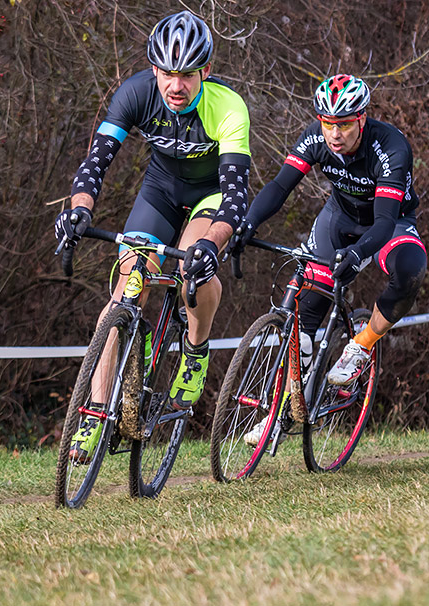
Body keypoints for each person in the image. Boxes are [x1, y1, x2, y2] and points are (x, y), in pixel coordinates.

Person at [54, 11, 252, 462]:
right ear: (154, 69)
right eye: (166, 73)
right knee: (125, 290)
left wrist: (211, 243)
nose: (175, 86)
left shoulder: (228, 107)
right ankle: (96, 413)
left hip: (210, 196)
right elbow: (95, 164)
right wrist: (78, 212)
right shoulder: (136, 93)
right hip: (160, 191)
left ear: (205, 71)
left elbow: (237, 197)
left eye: (185, 75)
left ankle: (195, 351)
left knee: (191, 270)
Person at [233, 74, 427, 444]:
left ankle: (361, 345)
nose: (334, 134)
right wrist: (249, 222)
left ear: (362, 119)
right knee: (305, 320)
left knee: (410, 269)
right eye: (327, 124)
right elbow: (279, 186)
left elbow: (384, 220)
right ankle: (283, 410)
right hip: (339, 219)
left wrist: (359, 254)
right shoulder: (314, 138)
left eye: (343, 124)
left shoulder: (390, 147)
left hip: (389, 222)